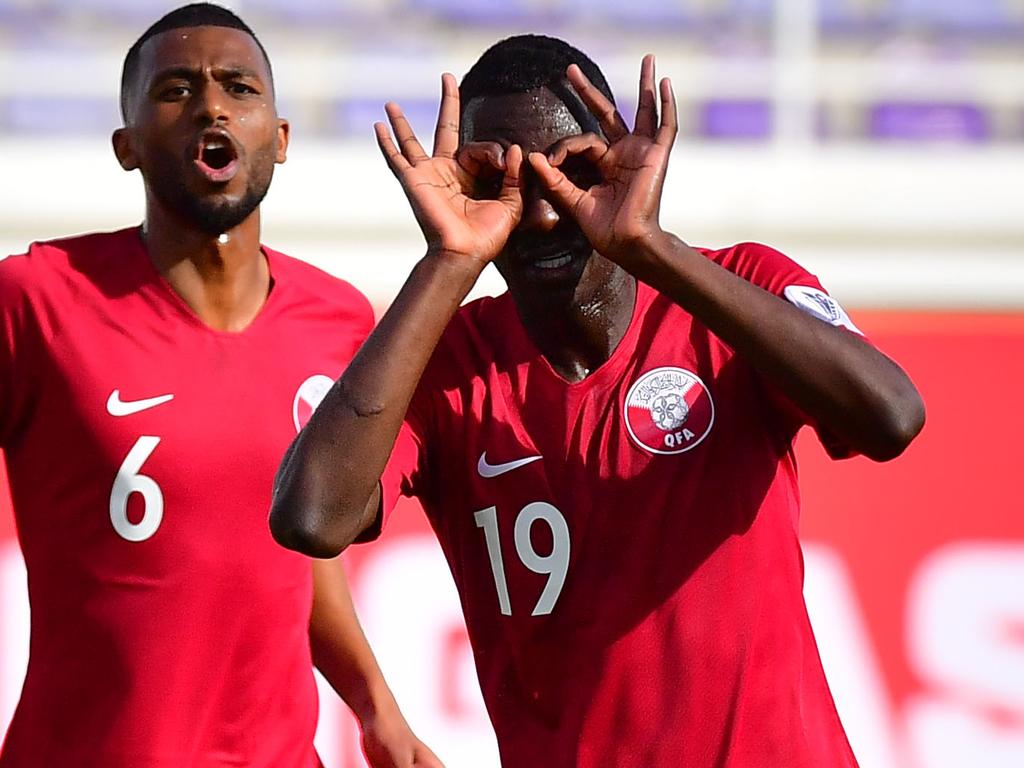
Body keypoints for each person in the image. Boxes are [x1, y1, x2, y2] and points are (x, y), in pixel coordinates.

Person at [271, 34, 925, 768]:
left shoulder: (739, 289)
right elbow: (311, 518)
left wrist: (647, 244)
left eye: (573, 170)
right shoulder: (446, 368)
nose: (547, 214)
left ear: (618, 156)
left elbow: (891, 417)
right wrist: (447, 261)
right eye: (503, 185)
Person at [0, 4, 442, 768]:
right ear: (126, 145)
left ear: (279, 138)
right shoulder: (36, 298)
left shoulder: (337, 319)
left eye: (239, 88)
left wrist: (378, 711)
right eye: (175, 90)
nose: (210, 104)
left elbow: (300, 559)